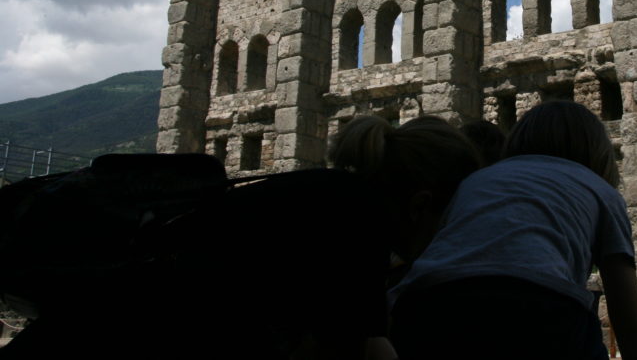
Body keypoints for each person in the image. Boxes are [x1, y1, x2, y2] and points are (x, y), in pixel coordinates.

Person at [0, 115, 480, 360]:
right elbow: (359, 349)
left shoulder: (322, 193)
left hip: (91, 328)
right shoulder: (354, 223)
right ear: (421, 204)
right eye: (451, 217)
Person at [390, 100, 637, 360]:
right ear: (599, 151)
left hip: (426, 302)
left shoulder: (477, 180)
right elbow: (630, 312)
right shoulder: (600, 191)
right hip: (540, 308)